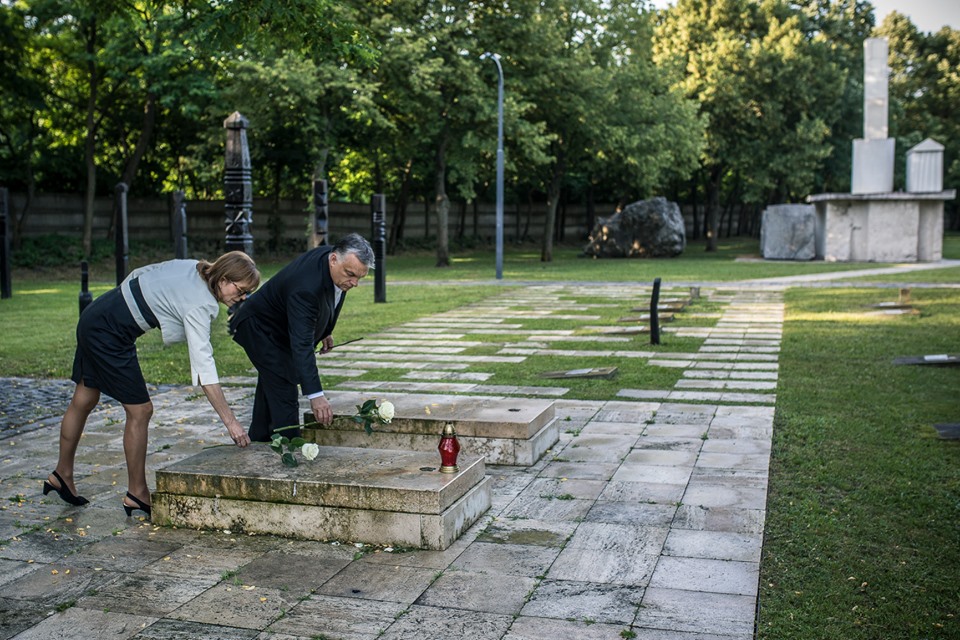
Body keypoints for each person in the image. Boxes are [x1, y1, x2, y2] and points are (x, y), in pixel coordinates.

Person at [43, 252, 261, 518]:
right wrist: (231, 422)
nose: (242, 297)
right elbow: (204, 367)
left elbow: (141, 272)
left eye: (247, 293)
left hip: (96, 315)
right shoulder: (201, 303)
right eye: (241, 290)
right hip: (109, 333)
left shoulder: (194, 267)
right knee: (141, 410)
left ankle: (61, 475)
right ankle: (137, 493)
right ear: (224, 279)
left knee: (85, 398)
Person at [230, 233, 373, 442]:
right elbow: (302, 344)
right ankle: (291, 447)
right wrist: (316, 395)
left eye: (360, 277)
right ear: (334, 259)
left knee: (272, 382)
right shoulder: (306, 287)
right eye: (351, 275)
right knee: (284, 384)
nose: (354, 283)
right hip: (259, 328)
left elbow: (332, 295)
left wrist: (325, 331)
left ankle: (260, 438)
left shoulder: (336, 264)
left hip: (280, 326)